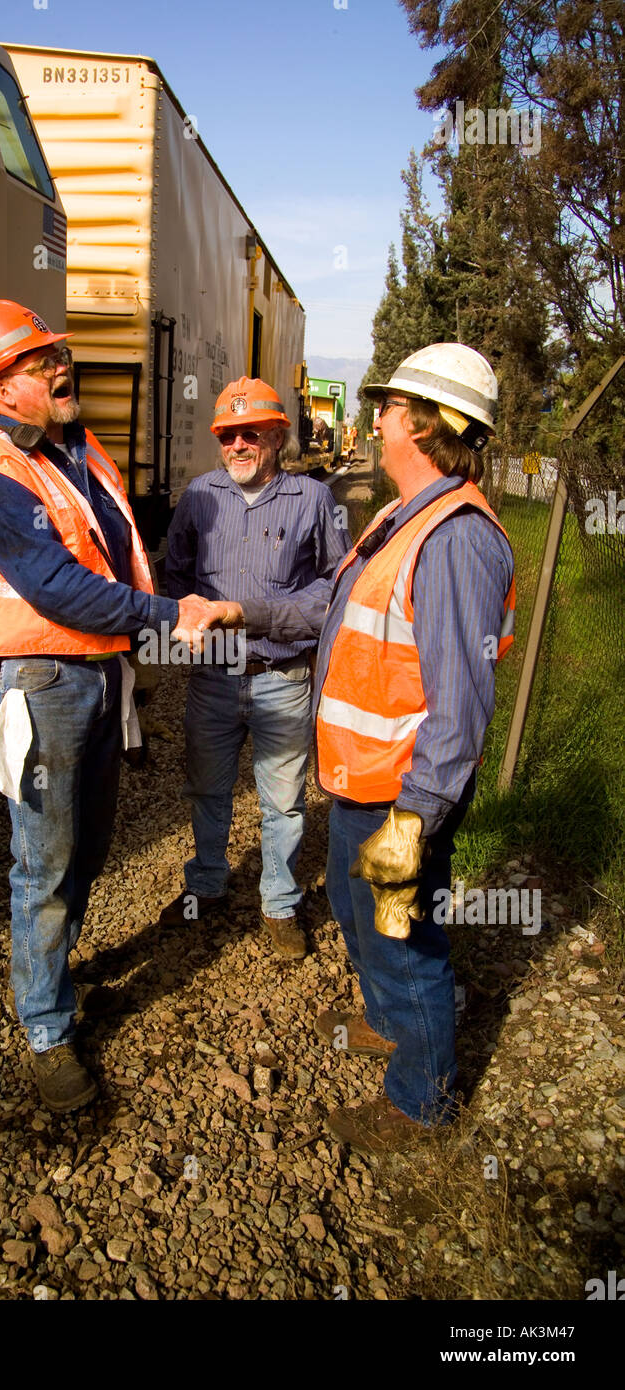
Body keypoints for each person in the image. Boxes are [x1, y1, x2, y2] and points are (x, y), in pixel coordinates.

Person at [208, 345, 515, 1148]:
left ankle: (421, 1104)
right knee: (352, 908)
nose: (372, 419)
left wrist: (415, 819)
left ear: (423, 424)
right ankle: (388, 1016)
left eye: (386, 406)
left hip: (400, 790)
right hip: (356, 778)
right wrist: (244, 613)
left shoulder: (456, 541)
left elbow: (462, 705)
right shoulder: (397, 516)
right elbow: (328, 617)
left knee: (400, 937)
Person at [0, 300, 218, 1112]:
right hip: (44, 684)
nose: (60, 366)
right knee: (46, 863)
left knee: (89, 847)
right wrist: (173, 617)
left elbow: (114, 556)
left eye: (57, 351)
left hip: (97, 676)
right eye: (36, 361)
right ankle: (46, 1031)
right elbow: (58, 588)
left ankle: (55, 969)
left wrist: (144, 641)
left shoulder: (79, 450)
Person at [159, 376, 348, 958]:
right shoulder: (198, 497)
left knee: (284, 801)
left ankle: (281, 903)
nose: (238, 445)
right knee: (207, 790)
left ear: (278, 436)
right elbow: (175, 577)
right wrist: (182, 620)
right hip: (213, 681)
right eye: (227, 435)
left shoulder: (316, 501)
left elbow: (333, 590)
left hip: (283, 680)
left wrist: (257, 615)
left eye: (251, 434)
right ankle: (207, 885)